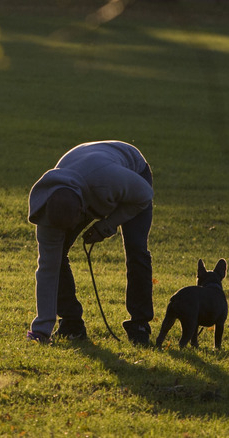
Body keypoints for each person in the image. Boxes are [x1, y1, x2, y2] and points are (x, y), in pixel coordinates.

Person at [26, 140, 154, 346]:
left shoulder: (109, 181)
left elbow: (145, 195)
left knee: (136, 250)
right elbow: (47, 269)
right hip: (87, 176)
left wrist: (106, 226)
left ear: (82, 211)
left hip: (131, 173)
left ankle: (139, 324)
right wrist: (41, 330)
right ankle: (71, 324)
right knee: (56, 258)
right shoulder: (47, 213)